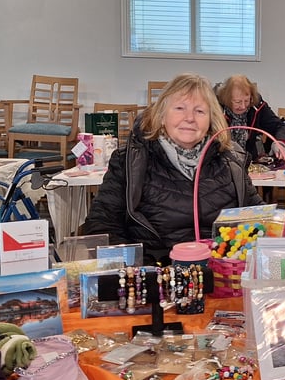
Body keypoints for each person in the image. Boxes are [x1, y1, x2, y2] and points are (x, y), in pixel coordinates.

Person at [82, 73, 264, 265]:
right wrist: (142, 273)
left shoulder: (232, 161)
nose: (190, 118)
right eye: (179, 108)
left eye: (200, 111)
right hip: (154, 280)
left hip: (221, 279)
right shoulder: (129, 161)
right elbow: (101, 227)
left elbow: (260, 219)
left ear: (211, 119)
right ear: (161, 116)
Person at [215, 75, 285, 163]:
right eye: (238, 102)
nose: (243, 106)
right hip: (221, 162)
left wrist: (280, 143)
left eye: (246, 101)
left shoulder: (257, 106)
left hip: (251, 160)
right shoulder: (215, 109)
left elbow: (278, 126)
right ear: (227, 99)